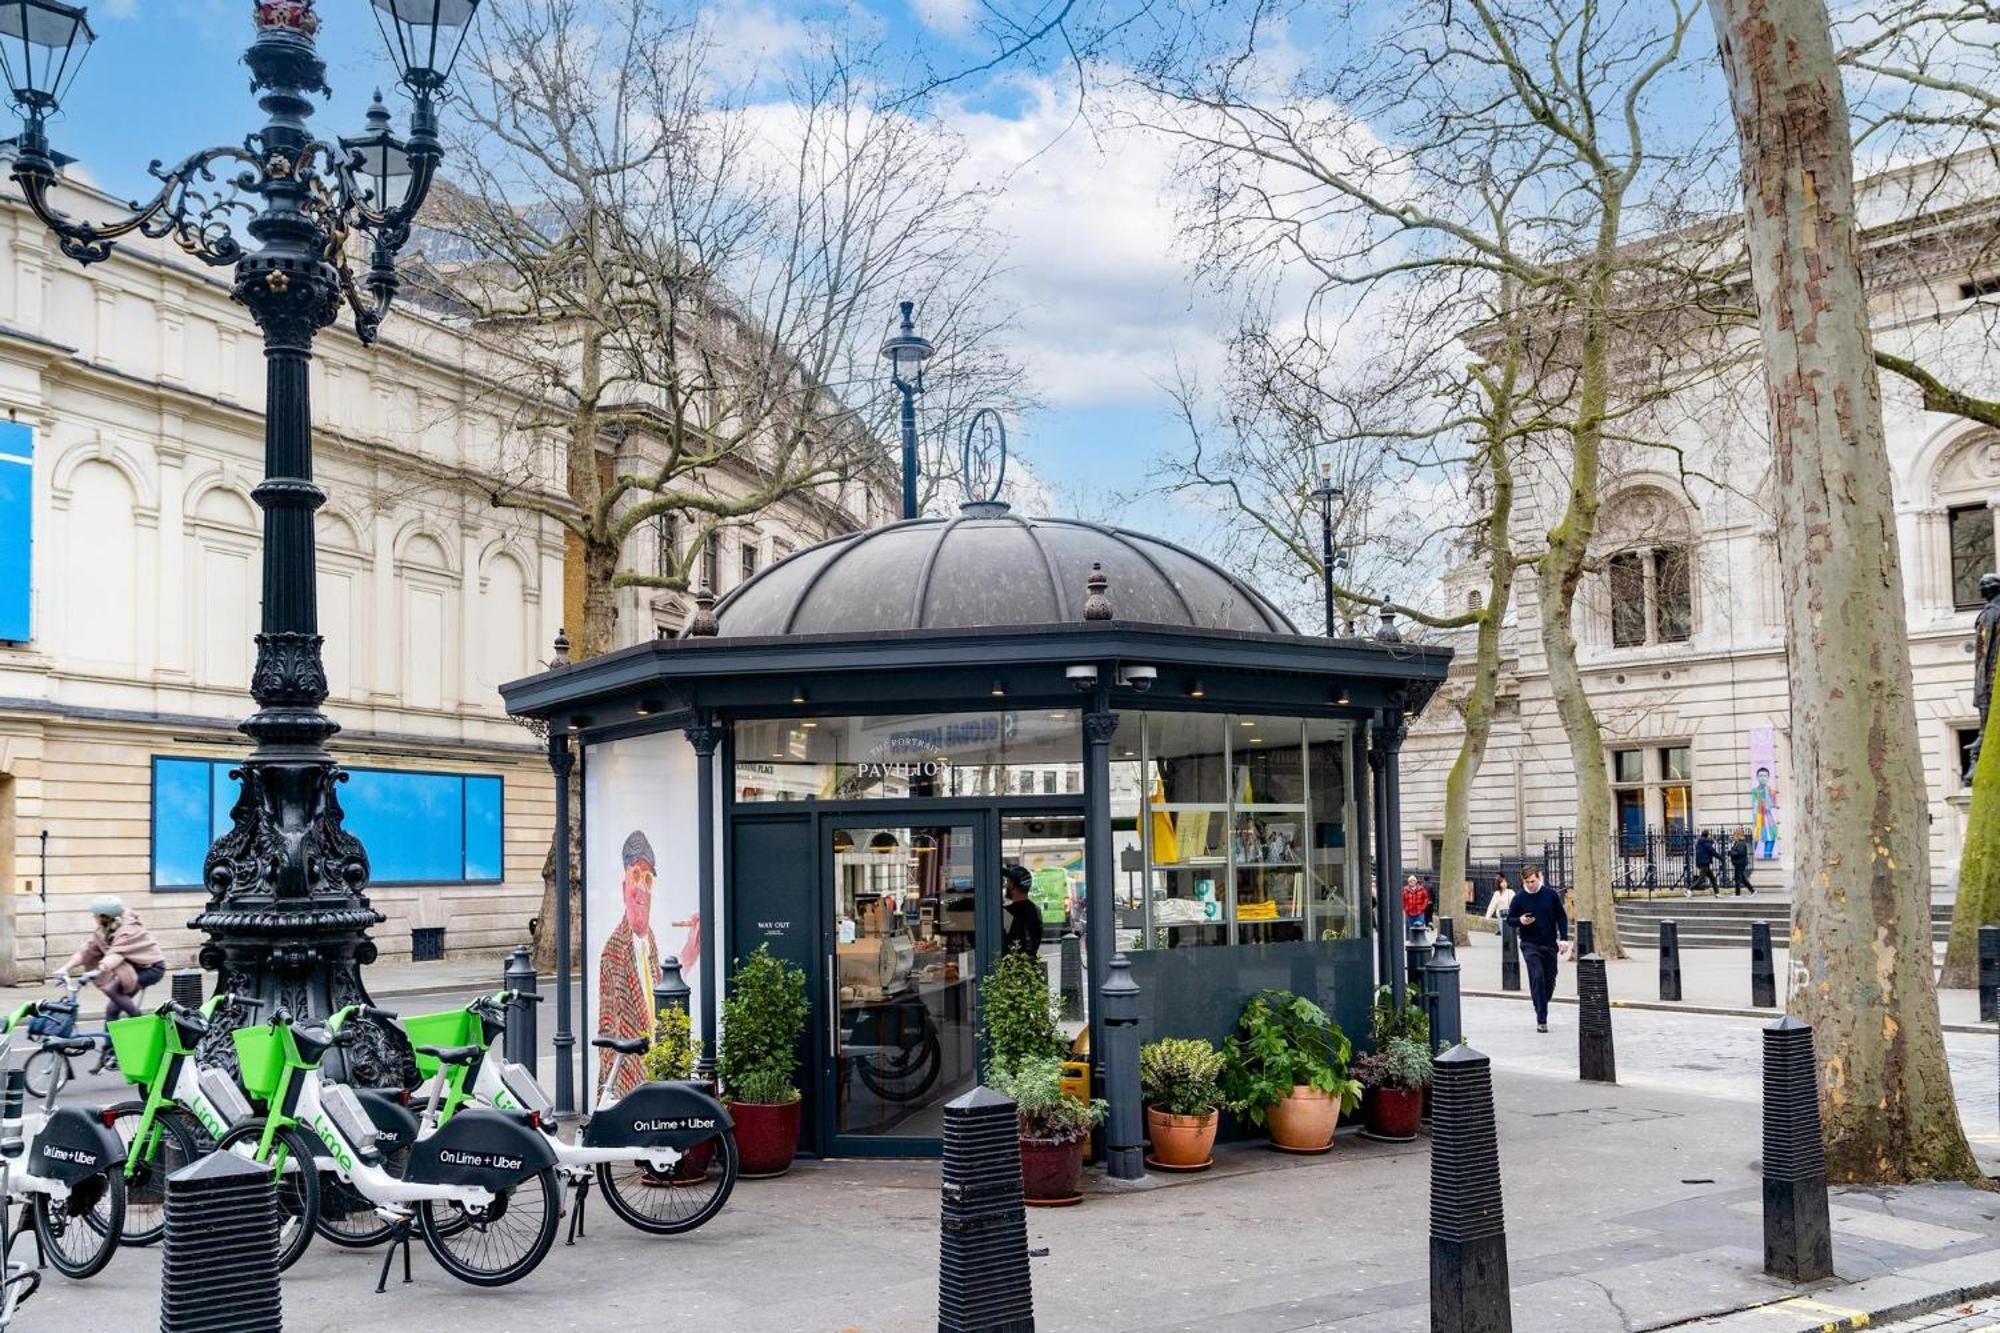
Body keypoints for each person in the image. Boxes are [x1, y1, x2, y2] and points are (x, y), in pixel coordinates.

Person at [597, 830, 663, 1099]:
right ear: (624, 887)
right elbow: (607, 1028)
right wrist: (612, 1091)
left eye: (648, 879)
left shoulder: (651, 943)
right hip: (630, 1081)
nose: (642, 890)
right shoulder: (614, 950)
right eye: (636, 875)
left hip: (657, 1070)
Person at [62, 896, 165, 1020]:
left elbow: (116, 954)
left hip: (152, 968)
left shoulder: (128, 930)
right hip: (135, 967)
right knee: (112, 1010)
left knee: (112, 990)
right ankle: (113, 1038)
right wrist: (65, 968)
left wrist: (99, 969)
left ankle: (139, 1022)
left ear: (105, 916)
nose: (94, 918)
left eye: (96, 916)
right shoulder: (105, 930)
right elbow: (87, 950)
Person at [1504, 865, 1569, 1033]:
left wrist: (1564, 940)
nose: (1531, 885)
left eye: (1533, 881)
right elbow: (1510, 919)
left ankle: (1540, 1002)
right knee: (1537, 977)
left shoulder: (1551, 895)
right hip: (1529, 944)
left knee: (1550, 979)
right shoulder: (1519, 899)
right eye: (1527, 882)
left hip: (1549, 944)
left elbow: (1561, 916)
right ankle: (1542, 1019)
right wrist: (1520, 920)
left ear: (1539, 877)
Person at [1002, 864, 1044, 956]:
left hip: (1012, 967)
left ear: (1012, 886)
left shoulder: (1007, 913)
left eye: (1008, 881)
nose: (1006, 884)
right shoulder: (1036, 910)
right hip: (1030, 966)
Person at [1728, 829, 1752, 894]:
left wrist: (1731, 853)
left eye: (1734, 835)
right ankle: (1752, 891)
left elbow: (1740, 853)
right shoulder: (1737, 843)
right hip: (1738, 862)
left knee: (1738, 878)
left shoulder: (1741, 843)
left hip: (1740, 862)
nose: (1733, 837)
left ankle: (1738, 894)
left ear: (1738, 836)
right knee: (1740, 878)